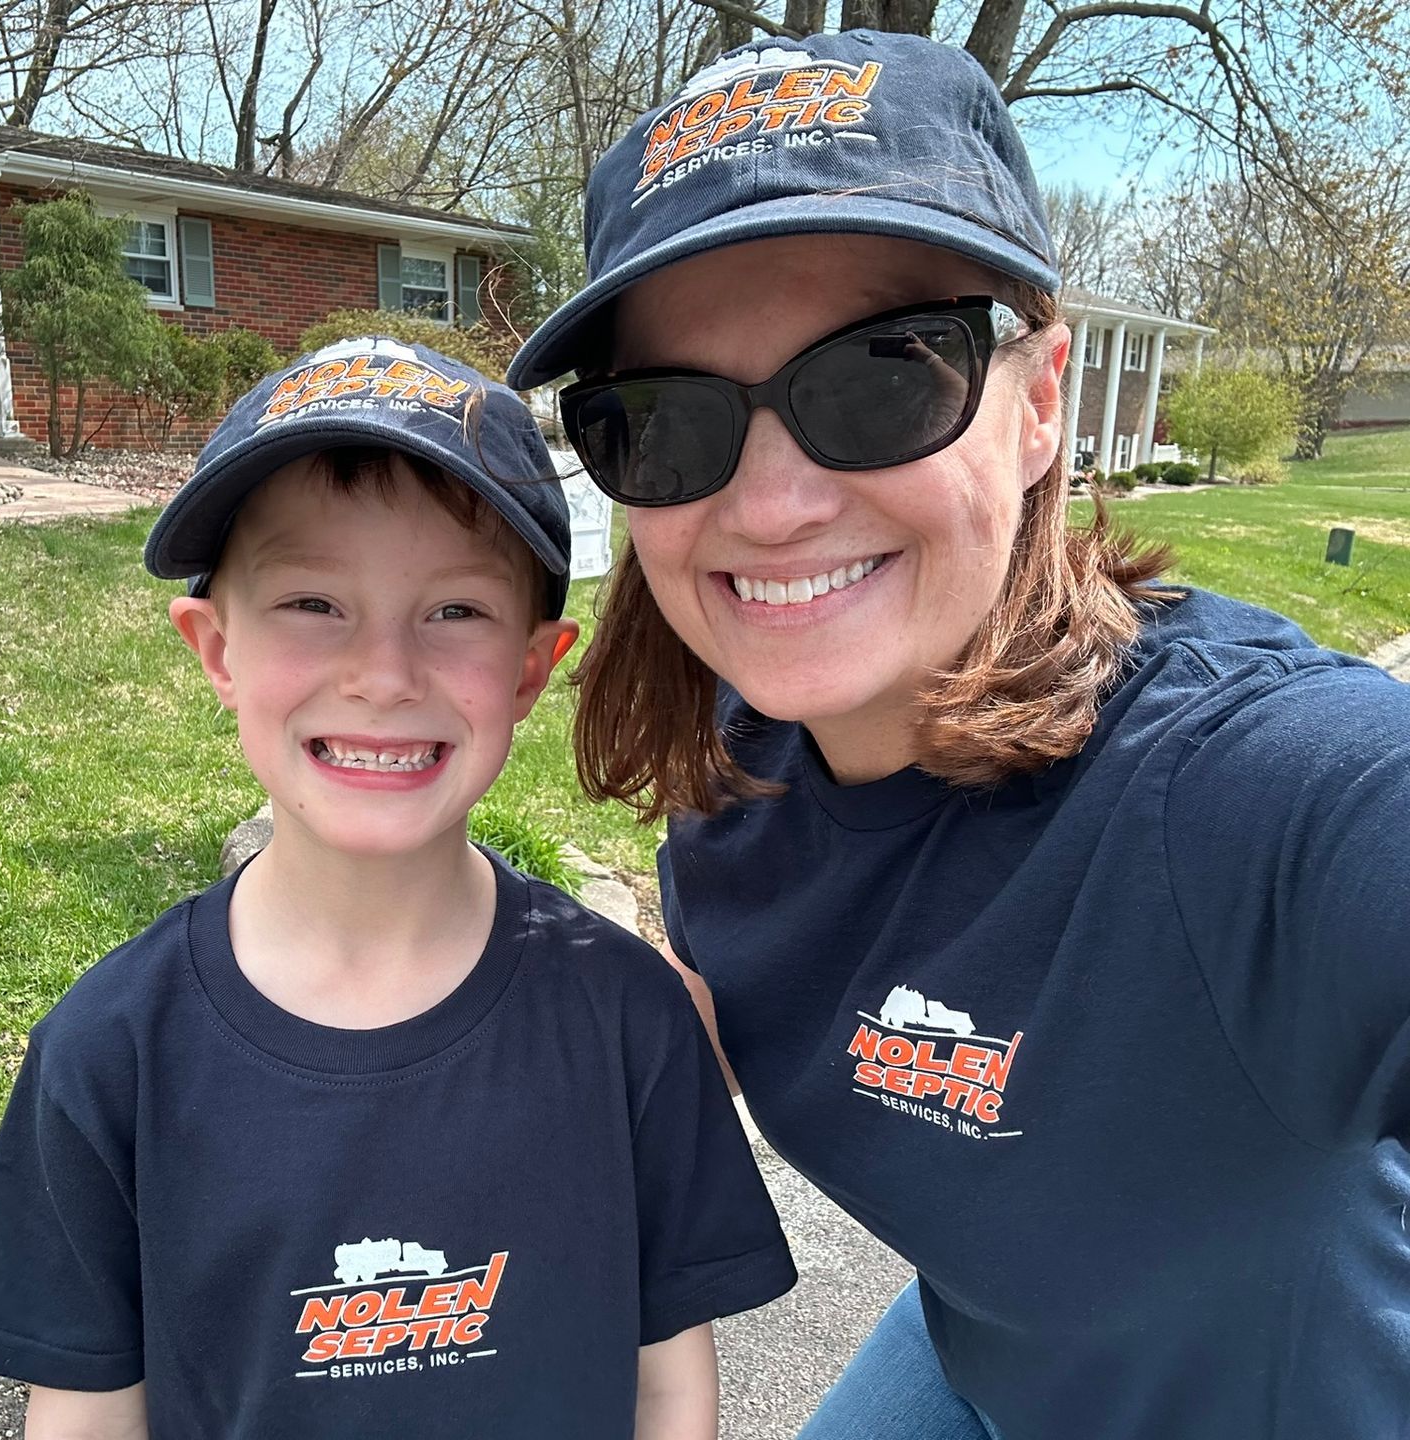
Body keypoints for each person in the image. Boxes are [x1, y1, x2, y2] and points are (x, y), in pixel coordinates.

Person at [508, 29, 1410, 1440]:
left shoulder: (1247, 792)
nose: (772, 506)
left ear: (1040, 403)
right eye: (667, 420)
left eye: (883, 376)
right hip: (988, 1356)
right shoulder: (741, 767)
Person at [0, 337, 797, 1439]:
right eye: (313, 603)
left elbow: (668, 1381)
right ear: (217, 649)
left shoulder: (628, 1019)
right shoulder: (109, 1052)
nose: (383, 675)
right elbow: (88, 1413)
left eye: (455, 612)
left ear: (532, 668)